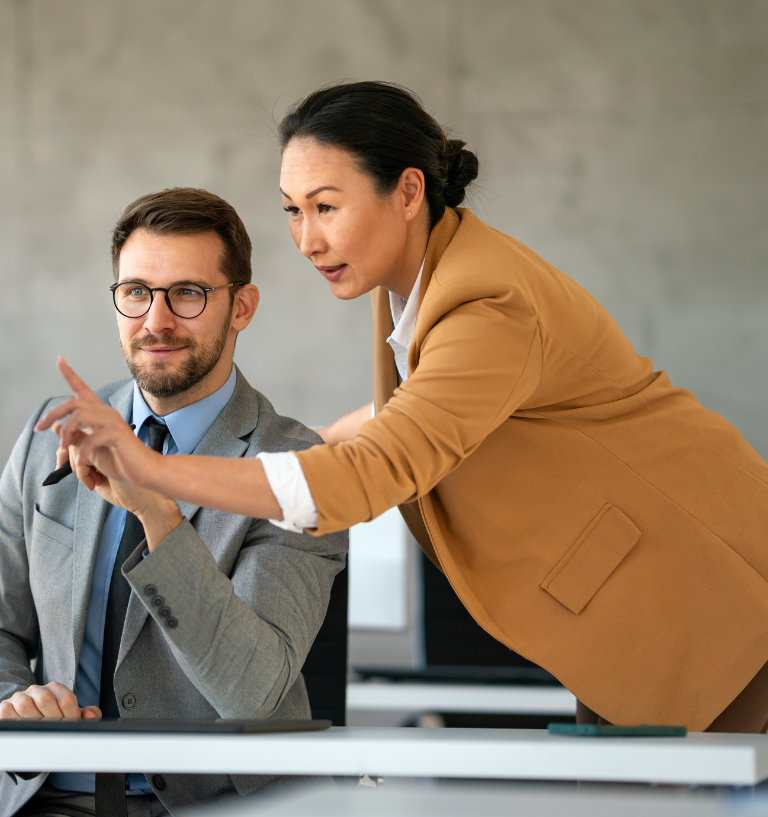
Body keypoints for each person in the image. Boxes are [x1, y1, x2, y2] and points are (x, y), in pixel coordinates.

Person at [41, 81, 768, 735]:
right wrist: (320, 437)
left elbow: (372, 473)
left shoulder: (487, 299)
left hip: (718, 603)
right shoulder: (420, 280)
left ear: (409, 190)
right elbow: (429, 405)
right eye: (293, 211)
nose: (306, 239)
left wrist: (156, 470)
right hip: (636, 616)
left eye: (326, 207)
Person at [0, 188, 347, 817]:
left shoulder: (296, 465)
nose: (156, 321)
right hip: (50, 798)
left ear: (241, 307)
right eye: (136, 292)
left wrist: (157, 511)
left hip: (214, 806)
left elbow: (252, 692)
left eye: (187, 294)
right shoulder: (51, 433)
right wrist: (10, 707)